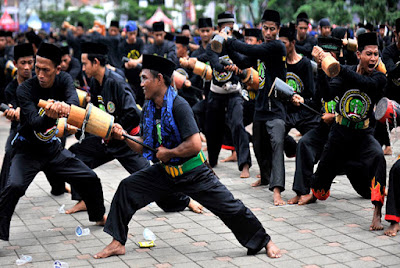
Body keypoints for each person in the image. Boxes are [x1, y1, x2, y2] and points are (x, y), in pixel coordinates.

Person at [93, 54, 281, 259]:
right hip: (165, 172)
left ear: (159, 79)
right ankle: (117, 242)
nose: (142, 83)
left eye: (145, 78)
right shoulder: (148, 108)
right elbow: (145, 147)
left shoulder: (178, 105)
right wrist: (125, 136)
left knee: (230, 207)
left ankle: (265, 241)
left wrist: (169, 153)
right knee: (127, 188)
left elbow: (194, 145)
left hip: (194, 172)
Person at [0, 43, 107, 241]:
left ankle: (99, 216)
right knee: (13, 186)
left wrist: (65, 107)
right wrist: (51, 115)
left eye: (45, 70)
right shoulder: (24, 90)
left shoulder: (64, 80)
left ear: (57, 69)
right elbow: (35, 123)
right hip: (26, 150)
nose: (40, 74)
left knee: (90, 177)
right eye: (37, 68)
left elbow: (74, 103)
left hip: (52, 149)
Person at [302, 33, 387, 231]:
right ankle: (314, 195)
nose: (373, 58)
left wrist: (339, 70)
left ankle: (377, 213)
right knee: (322, 174)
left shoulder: (379, 78)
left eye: (376, 54)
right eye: (368, 54)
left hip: (363, 136)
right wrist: (323, 69)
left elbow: (365, 84)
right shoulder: (345, 72)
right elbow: (328, 93)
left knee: (378, 158)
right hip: (340, 133)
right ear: (358, 54)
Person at [220, 9, 287, 205]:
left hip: (276, 106)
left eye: (272, 29)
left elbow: (251, 50)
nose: (268, 32)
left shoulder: (277, 46)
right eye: (265, 28)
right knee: (259, 146)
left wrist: (229, 39)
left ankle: (277, 190)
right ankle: (265, 177)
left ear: (278, 29)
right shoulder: (263, 48)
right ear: (261, 27)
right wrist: (229, 50)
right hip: (260, 106)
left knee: (276, 145)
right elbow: (244, 60)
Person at [204, 11, 252, 178]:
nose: (228, 33)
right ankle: (213, 158)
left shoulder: (235, 44)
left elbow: (244, 62)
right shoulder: (212, 45)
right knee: (212, 128)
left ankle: (245, 163)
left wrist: (239, 66)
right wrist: (227, 66)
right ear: (218, 29)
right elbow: (216, 65)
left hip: (234, 92)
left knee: (238, 124)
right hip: (216, 93)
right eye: (225, 30)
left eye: (230, 30)